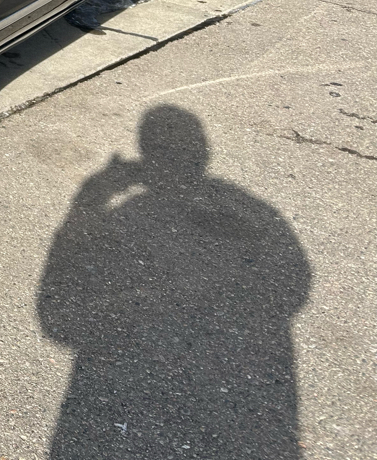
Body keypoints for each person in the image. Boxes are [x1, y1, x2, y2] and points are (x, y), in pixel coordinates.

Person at [38, 104, 311, 459]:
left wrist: (93, 194)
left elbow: (59, 320)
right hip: (247, 401)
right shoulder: (252, 208)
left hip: (136, 395)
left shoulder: (133, 211)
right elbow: (294, 283)